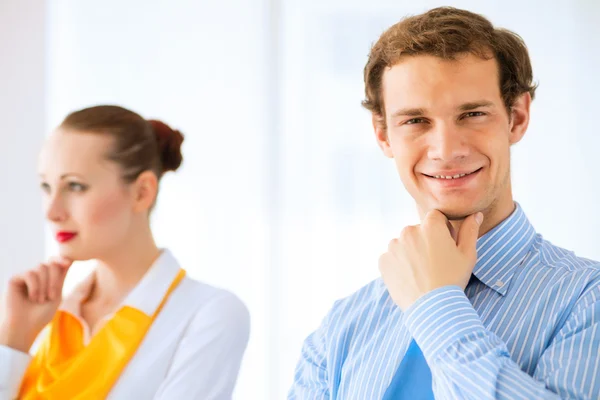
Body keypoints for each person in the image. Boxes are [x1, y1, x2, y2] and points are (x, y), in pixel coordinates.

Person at [288, 7, 600, 400]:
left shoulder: (588, 302)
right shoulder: (338, 331)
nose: (446, 150)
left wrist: (436, 307)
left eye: (472, 114)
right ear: (384, 135)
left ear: (516, 118)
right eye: (415, 121)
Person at [0, 105, 250, 400]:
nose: (52, 211)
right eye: (46, 186)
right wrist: (13, 341)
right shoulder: (48, 318)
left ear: (142, 192)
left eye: (76, 186)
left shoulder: (208, 314)